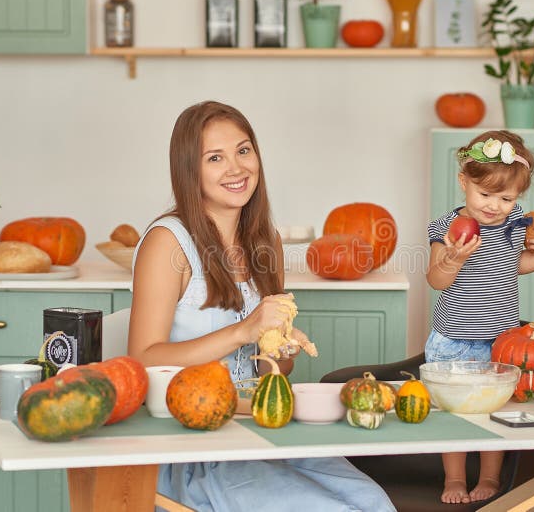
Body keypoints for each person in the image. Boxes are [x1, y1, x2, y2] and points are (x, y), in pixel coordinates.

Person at [127, 101, 396, 512]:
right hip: (194, 447)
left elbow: (270, 370)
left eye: (243, 150)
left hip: (263, 429)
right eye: (215, 158)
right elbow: (143, 359)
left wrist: (279, 351)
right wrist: (243, 330)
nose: (236, 168)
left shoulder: (262, 240)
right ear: (189, 170)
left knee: (374, 502)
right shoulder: (167, 242)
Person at [425, 130, 534, 504]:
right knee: (452, 415)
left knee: (492, 413)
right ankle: (453, 479)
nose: (494, 206)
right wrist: (453, 259)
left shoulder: (516, 223)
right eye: (485, 195)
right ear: (463, 181)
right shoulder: (446, 227)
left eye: (506, 198)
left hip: (501, 342)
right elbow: (436, 279)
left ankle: (489, 477)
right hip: (452, 341)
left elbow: (515, 264)